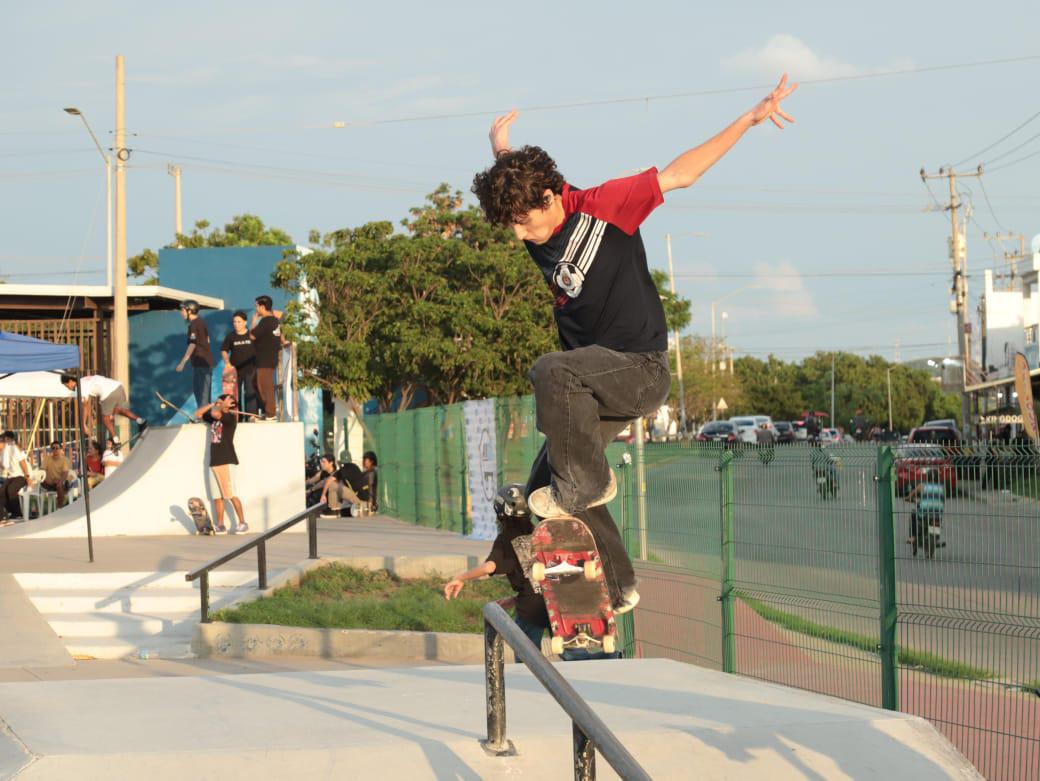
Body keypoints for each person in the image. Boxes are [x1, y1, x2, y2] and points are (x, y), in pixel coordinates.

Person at [471, 75, 797, 615]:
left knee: (552, 376)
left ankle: (585, 486)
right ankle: (616, 589)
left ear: (551, 198)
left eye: (526, 223)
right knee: (547, 482)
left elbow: (682, 173)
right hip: (592, 385)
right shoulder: (532, 209)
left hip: (638, 369)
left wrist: (749, 117)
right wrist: (498, 147)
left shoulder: (606, 205)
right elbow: (517, 184)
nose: (522, 237)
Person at [196, 394, 248, 533]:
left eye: (228, 399)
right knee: (217, 497)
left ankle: (243, 522)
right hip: (214, 461)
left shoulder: (230, 418)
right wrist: (214, 402)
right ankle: (220, 525)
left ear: (231, 405)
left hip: (227, 459)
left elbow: (215, 413)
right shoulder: (215, 415)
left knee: (230, 495)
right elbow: (198, 413)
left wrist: (219, 406)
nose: (224, 401)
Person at [60, 374, 147, 444]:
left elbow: (85, 406)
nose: (67, 387)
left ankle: (116, 440)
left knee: (105, 419)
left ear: (71, 381)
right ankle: (141, 421)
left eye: (66, 385)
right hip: (119, 387)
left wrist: (83, 424)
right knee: (119, 410)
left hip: (108, 393)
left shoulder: (80, 387)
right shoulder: (85, 379)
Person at [176, 299, 215, 409]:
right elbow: (208, 340)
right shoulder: (201, 322)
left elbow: (192, 345)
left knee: (202, 393)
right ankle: (204, 415)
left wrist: (182, 363)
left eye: (183, 310)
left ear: (190, 311)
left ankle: (204, 417)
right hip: (201, 363)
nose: (181, 312)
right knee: (199, 391)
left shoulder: (194, 324)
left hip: (203, 364)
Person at [250, 295, 283, 421]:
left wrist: (254, 321)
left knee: (265, 385)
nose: (256, 309)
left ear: (262, 307)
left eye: (257, 306)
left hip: (265, 359)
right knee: (255, 382)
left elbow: (252, 336)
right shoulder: (275, 321)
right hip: (268, 358)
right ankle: (267, 410)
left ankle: (271, 413)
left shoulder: (266, 321)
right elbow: (281, 338)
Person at [221, 310, 258, 417]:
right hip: (235, 371)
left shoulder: (251, 335)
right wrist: (227, 362)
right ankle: (236, 416)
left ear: (245, 322)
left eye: (239, 322)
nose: (236, 324)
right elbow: (224, 350)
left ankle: (251, 416)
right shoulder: (231, 336)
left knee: (250, 392)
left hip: (250, 369)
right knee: (234, 394)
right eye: (234, 322)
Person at [906, 467, 946, 556]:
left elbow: (910, 496)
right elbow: (943, 500)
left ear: (927, 477)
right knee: (938, 519)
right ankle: (937, 539)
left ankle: (913, 536)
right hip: (937, 513)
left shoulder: (922, 486)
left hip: (924, 512)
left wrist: (909, 498)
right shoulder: (942, 487)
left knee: (913, 514)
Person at [0, 431, 33, 521]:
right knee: (2, 492)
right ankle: (4, 515)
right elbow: (4, 467)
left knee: (11, 489)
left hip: (22, 475)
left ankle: (18, 514)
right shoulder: (3, 453)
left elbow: (22, 462)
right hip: (12, 477)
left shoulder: (13, 448)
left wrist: (28, 476)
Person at [40, 441, 72, 508]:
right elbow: (42, 472)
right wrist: (51, 481)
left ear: (61, 450)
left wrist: (59, 481)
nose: (55, 450)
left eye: (57, 448)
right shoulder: (47, 459)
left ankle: (60, 507)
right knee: (44, 481)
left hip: (62, 482)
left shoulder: (65, 460)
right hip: (49, 483)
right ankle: (60, 507)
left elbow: (65, 473)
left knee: (59, 486)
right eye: (53, 448)